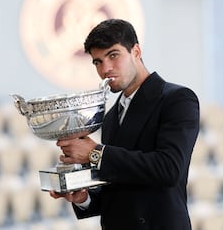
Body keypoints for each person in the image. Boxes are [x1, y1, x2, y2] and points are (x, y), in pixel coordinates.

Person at [50, 19, 200, 230]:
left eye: (113, 55)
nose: (106, 69)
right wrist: (83, 197)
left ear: (136, 51)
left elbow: (169, 169)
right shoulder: (111, 116)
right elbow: (119, 190)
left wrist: (96, 154)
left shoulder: (177, 98)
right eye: (98, 62)